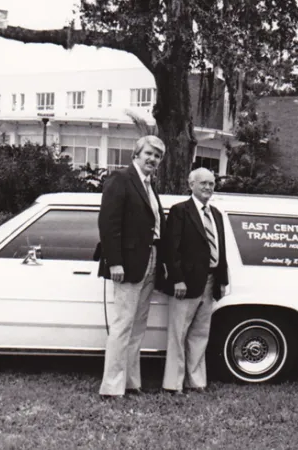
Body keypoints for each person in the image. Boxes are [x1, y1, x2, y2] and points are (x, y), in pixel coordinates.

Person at [97, 135, 167, 399]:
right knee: (123, 325)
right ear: (136, 154)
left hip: (150, 260)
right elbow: (108, 224)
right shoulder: (121, 179)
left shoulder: (149, 186)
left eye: (157, 156)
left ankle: (130, 382)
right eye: (149, 153)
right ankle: (112, 387)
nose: (152, 159)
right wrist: (114, 261)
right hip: (127, 264)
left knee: (138, 327)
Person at [161, 167, 228, 395]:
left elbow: (221, 249)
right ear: (191, 185)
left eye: (211, 183)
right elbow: (171, 248)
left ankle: (196, 381)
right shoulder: (180, 211)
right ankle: (173, 384)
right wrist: (177, 279)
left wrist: (222, 279)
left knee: (200, 333)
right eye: (203, 183)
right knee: (178, 334)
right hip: (186, 284)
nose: (209, 187)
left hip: (210, 282)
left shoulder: (217, 214)